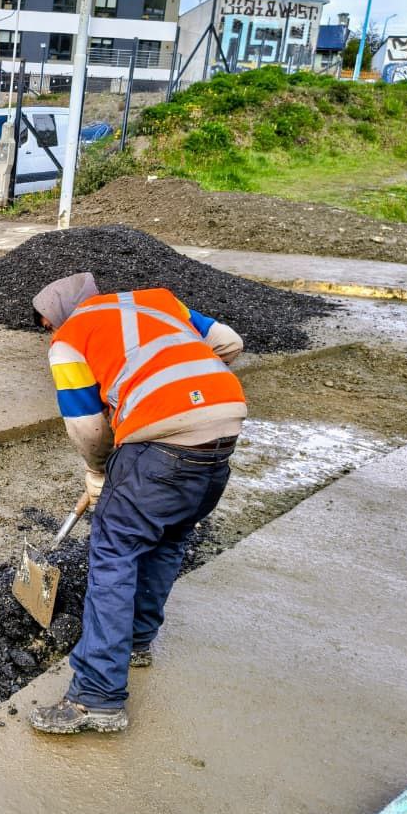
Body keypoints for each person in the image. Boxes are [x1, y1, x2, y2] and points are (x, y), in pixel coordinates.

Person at [27, 272, 246, 735]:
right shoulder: (159, 300)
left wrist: (98, 472)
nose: (48, 333)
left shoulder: (70, 339)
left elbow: (87, 427)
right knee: (168, 536)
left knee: (114, 552)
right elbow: (229, 343)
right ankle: (137, 641)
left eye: (46, 324)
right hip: (224, 431)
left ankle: (96, 698)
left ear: (59, 317)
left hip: (163, 447)